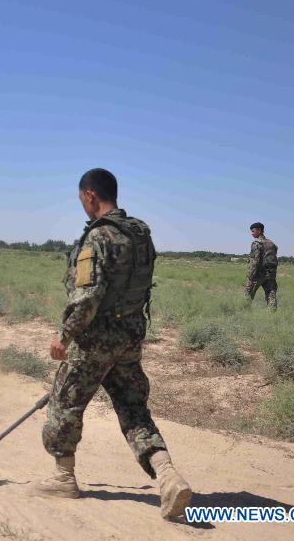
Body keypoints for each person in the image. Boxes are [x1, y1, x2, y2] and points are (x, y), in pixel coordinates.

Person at [32, 168, 192, 520]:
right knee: (133, 409)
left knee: (64, 403)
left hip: (96, 339)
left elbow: (88, 296)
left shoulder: (99, 237)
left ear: (90, 195)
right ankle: (167, 476)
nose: (82, 206)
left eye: (81, 200)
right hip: (130, 336)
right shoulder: (140, 235)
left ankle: (62, 478)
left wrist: (64, 336)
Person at [246, 222, 278, 311]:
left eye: (253, 231)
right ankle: (272, 317)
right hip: (271, 275)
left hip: (258, 275)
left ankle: (244, 314)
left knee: (247, 296)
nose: (252, 233)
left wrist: (251, 278)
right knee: (271, 297)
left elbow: (254, 262)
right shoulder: (272, 244)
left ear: (259, 230)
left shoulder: (256, 243)